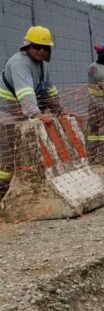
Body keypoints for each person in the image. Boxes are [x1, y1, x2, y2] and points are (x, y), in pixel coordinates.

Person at [0, 26, 63, 197]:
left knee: (27, 153)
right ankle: (2, 191)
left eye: (46, 47)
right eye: (37, 46)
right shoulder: (20, 63)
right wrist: (35, 114)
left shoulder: (43, 66)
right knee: (8, 156)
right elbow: (25, 92)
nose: (41, 50)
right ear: (27, 46)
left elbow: (50, 91)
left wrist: (61, 111)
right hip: (7, 114)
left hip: (22, 114)